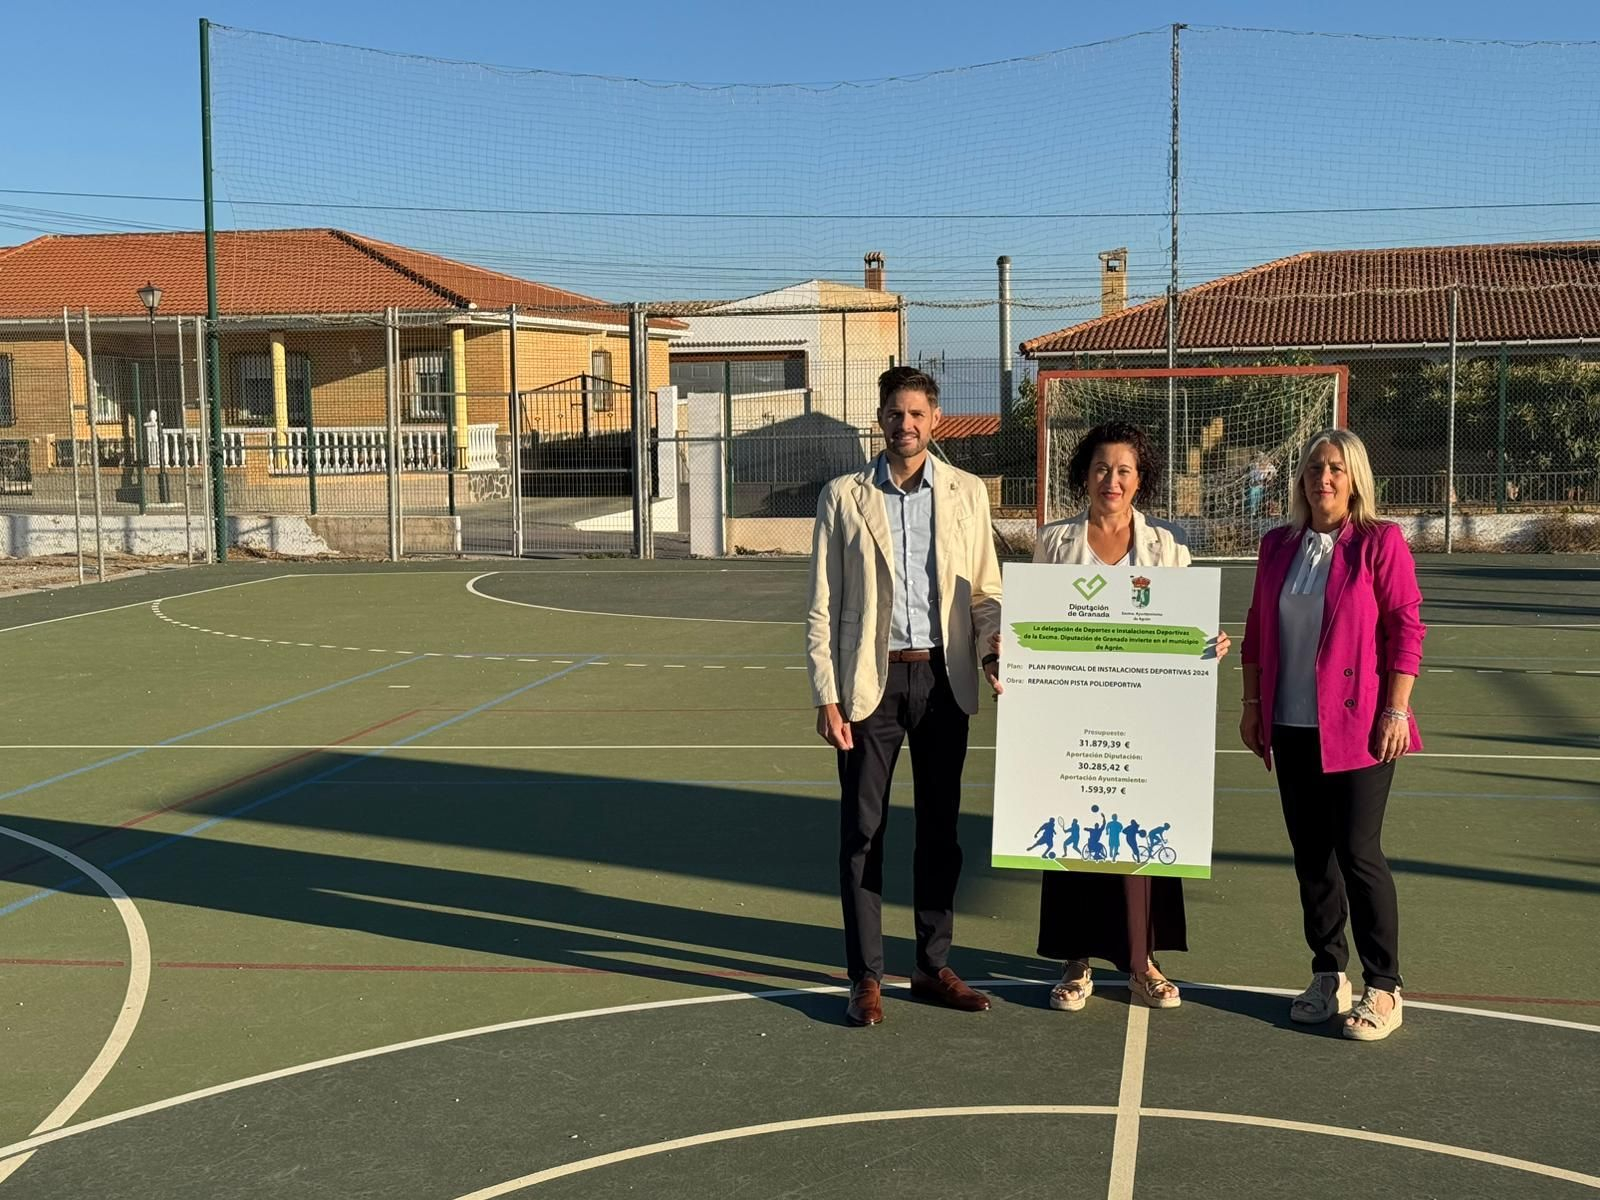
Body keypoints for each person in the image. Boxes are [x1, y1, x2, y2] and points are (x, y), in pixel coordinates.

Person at [1009, 421, 1230, 1013]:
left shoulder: (1168, 547)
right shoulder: (1054, 543)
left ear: (1140, 480)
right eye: (1102, 468)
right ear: (1085, 474)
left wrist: (1208, 643)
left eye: (1124, 470)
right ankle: (1074, 962)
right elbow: (1033, 629)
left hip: (1144, 718)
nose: (1112, 479)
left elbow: (1183, 630)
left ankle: (1142, 962)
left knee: (1140, 844)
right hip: (1069, 719)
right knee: (1071, 837)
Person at [806, 365, 1004, 1027]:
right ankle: (865, 978)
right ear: (880, 419)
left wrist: (994, 647)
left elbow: (985, 592)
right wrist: (827, 697)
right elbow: (822, 609)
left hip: (946, 682)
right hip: (872, 686)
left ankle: (931, 963)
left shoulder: (967, 493)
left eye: (917, 413)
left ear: (935, 420)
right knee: (863, 835)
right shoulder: (843, 497)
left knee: (941, 831)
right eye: (895, 413)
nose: (906, 424)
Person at [1239, 428, 1425, 1042]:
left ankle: (1384, 985)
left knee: (1358, 851)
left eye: (1338, 469)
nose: (1325, 478)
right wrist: (1251, 704)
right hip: (1291, 724)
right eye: (1316, 467)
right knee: (1311, 858)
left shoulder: (1379, 542)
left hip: (1359, 726)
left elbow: (1406, 628)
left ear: (1356, 480)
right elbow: (1257, 631)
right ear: (1300, 479)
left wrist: (1396, 710)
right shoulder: (1277, 546)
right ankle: (1327, 973)